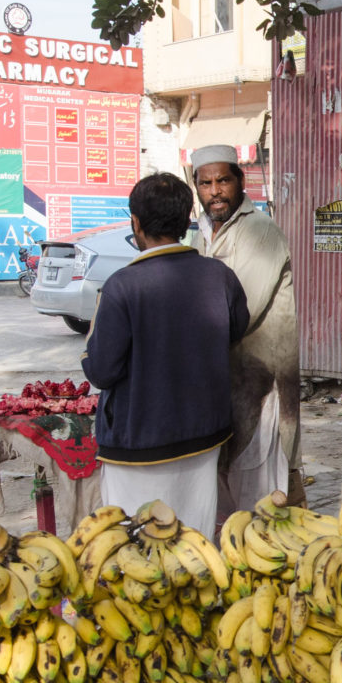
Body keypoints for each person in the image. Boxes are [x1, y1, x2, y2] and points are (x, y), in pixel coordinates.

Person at [82, 173, 249, 532]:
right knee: (194, 542)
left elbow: (101, 371)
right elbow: (236, 333)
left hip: (137, 447)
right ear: (186, 220)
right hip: (202, 439)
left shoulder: (121, 286)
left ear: (136, 223)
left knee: (137, 550)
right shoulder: (219, 276)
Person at [190, 144, 301, 519]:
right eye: (206, 183)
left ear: (239, 181)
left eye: (223, 180)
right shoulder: (201, 233)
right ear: (196, 187)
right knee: (224, 493)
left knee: (262, 497)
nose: (215, 191)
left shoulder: (260, 230)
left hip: (261, 381)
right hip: (221, 382)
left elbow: (239, 312)